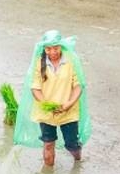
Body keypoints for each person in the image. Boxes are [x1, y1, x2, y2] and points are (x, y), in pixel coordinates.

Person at [13, 30, 92, 167]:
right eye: (48, 49)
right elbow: (35, 88)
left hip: (68, 110)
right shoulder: (39, 62)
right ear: (44, 48)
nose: (53, 52)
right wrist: (46, 105)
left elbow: (78, 85)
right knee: (48, 144)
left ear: (61, 46)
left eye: (56, 48)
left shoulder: (70, 60)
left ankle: (77, 158)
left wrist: (69, 103)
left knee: (71, 144)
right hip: (46, 111)